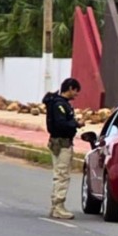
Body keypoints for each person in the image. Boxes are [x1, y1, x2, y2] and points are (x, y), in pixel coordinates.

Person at [43, 78, 82, 219]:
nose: (76, 95)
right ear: (70, 88)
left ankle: (55, 206)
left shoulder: (56, 102)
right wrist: (76, 124)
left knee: (58, 174)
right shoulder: (60, 105)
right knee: (63, 175)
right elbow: (61, 124)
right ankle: (58, 206)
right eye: (76, 91)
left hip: (56, 142)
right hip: (62, 143)